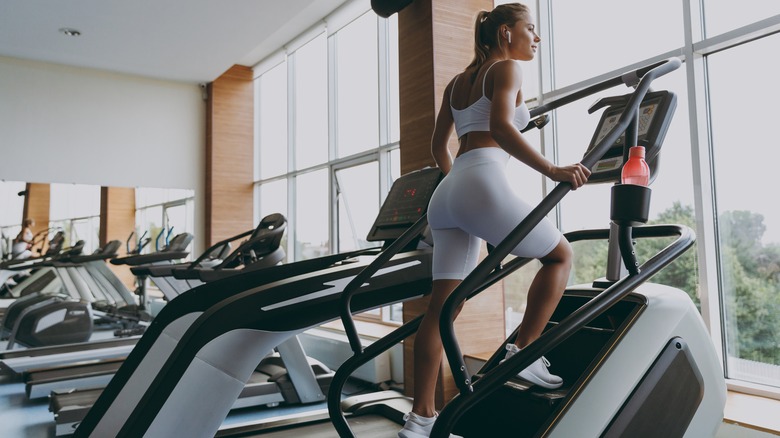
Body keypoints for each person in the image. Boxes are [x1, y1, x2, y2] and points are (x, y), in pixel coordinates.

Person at [398, 4, 590, 437]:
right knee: (559, 256)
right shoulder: (506, 71)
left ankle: (420, 419)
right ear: (506, 33)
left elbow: (438, 148)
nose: (536, 38)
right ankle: (523, 353)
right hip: (482, 179)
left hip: (447, 194)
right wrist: (554, 170)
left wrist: (459, 192)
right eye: (530, 29)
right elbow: (503, 128)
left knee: (442, 310)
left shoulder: (456, 82)